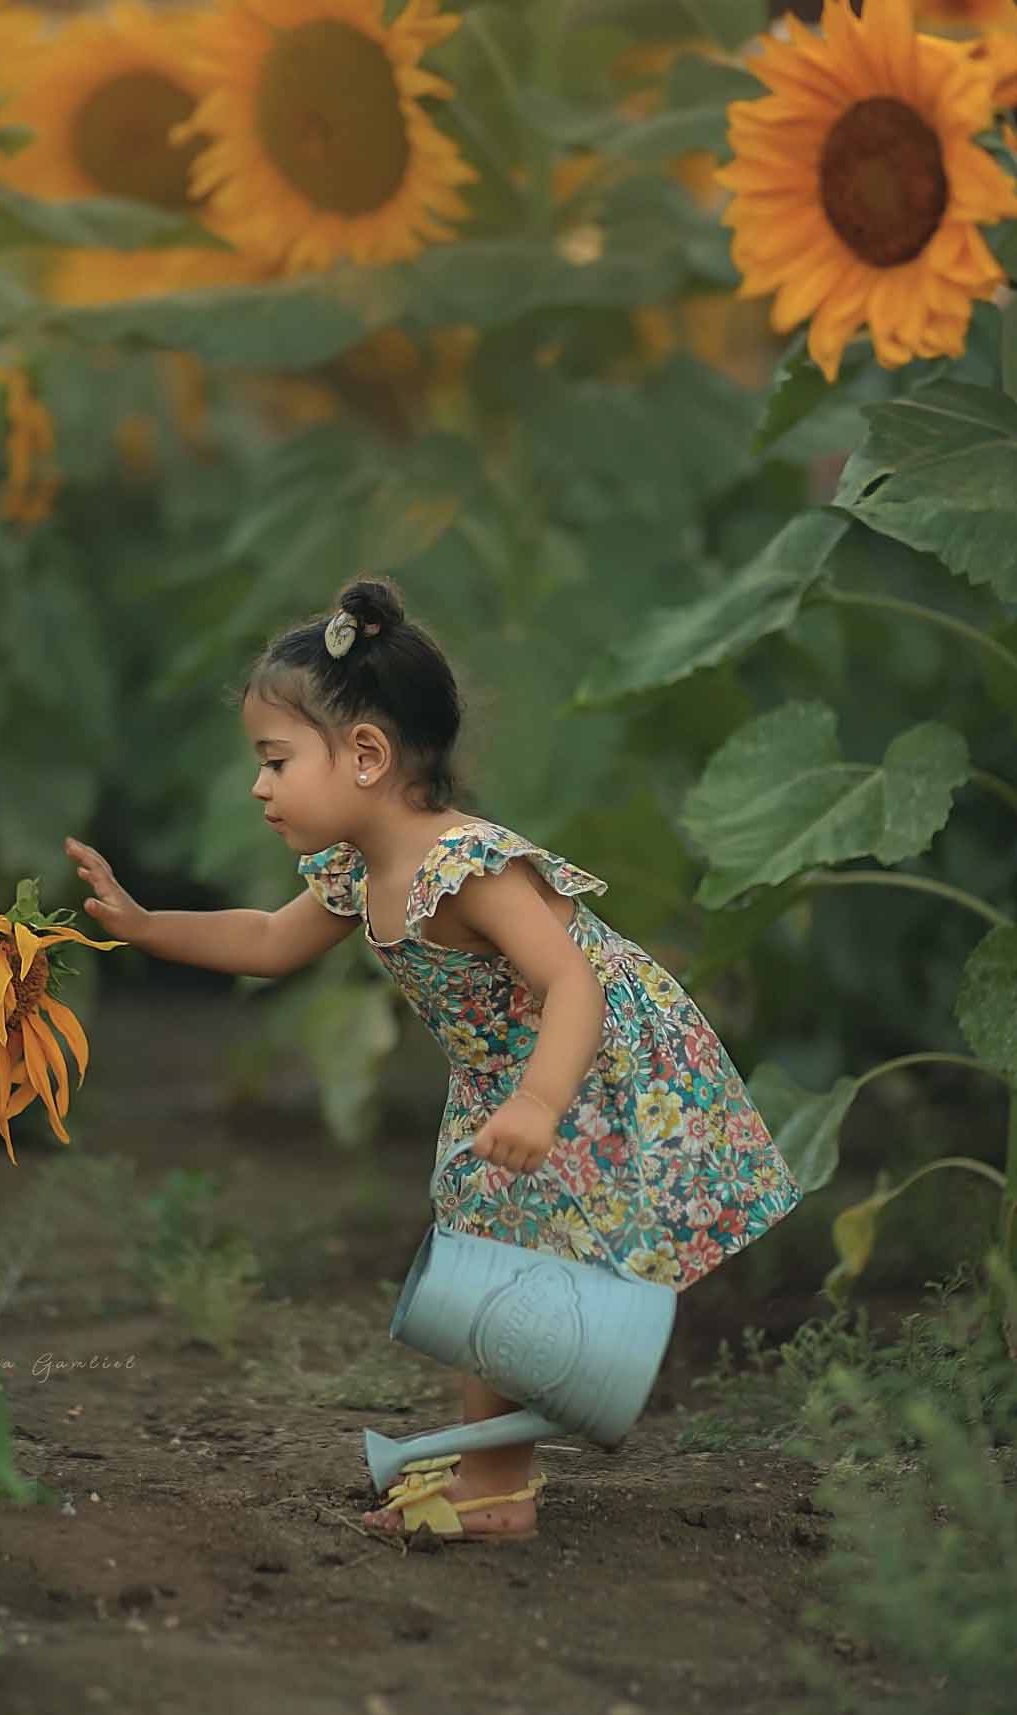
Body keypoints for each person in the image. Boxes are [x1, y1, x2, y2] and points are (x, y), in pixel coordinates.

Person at [65, 575, 803, 1544]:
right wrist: (145, 924)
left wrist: (540, 1102)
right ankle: (497, 1472)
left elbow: (573, 984)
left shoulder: (470, 865)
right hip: (508, 1080)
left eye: (277, 760)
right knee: (484, 1258)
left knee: (503, 1264)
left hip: (589, 1066)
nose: (259, 785)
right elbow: (264, 940)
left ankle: (499, 1478)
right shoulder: (356, 872)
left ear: (366, 754)